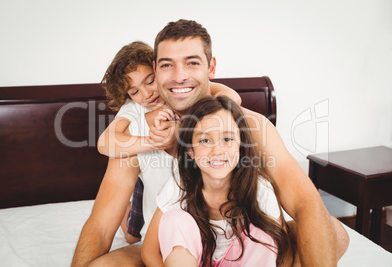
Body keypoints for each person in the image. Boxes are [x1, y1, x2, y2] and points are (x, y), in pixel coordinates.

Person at [72, 19, 349, 267]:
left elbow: (305, 202)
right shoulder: (134, 136)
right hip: (172, 247)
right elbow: (100, 224)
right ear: (156, 70)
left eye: (192, 62)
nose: (179, 76)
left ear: (211, 67)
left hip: (242, 242)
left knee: (334, 234)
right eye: (168, 65)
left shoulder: (250, 126)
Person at [71, 39, 241, 266]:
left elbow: (232, 98)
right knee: (132, 233)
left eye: (150, 81)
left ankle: (136, 197)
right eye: (134, 91)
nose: (146, 94)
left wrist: (180, 134)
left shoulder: (205, 102)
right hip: (158, 218)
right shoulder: (136, 112)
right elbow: (106, 143)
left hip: (207, 229)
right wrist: (155, 141)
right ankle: (131, 204)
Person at [142, 96, 295, 267]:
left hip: (241, 261)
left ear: (241, 146)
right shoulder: (180, 184)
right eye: (205, 140)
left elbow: (283, 251)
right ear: (191, 151)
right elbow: (149, 251)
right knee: (175, 219)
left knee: (264, 233)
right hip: (194, 261)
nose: (217, 151)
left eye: (227, 139)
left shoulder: (260, 188)